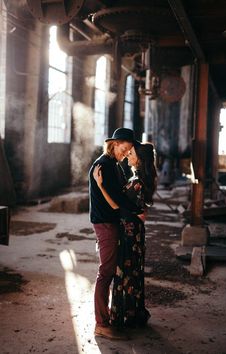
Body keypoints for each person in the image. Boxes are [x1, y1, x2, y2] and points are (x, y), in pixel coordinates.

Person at [93, 142, 158, 329]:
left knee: (126, 274)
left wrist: (101, 185)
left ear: (140, 159)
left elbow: (116, 206)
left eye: (132, 153)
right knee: (133, 274)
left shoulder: (136, 182)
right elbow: (138, 209)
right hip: (135, 232)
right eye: (128, 151)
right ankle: (133, 315)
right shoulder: (138, 179)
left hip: (129, 233)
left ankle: (125, 317)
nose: (128, 155)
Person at [89, 127, 143, 340]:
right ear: (114, 144)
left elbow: (121, 195)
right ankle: (101, 324)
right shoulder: (104, 165)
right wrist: (137, 211)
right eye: (125, 148)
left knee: (110, 271)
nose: (127, 152)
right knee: (106, 273)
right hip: (106, 224)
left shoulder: (113, 165)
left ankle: (108, 318)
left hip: (110, 223)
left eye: (130, 150)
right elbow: (116, 203)